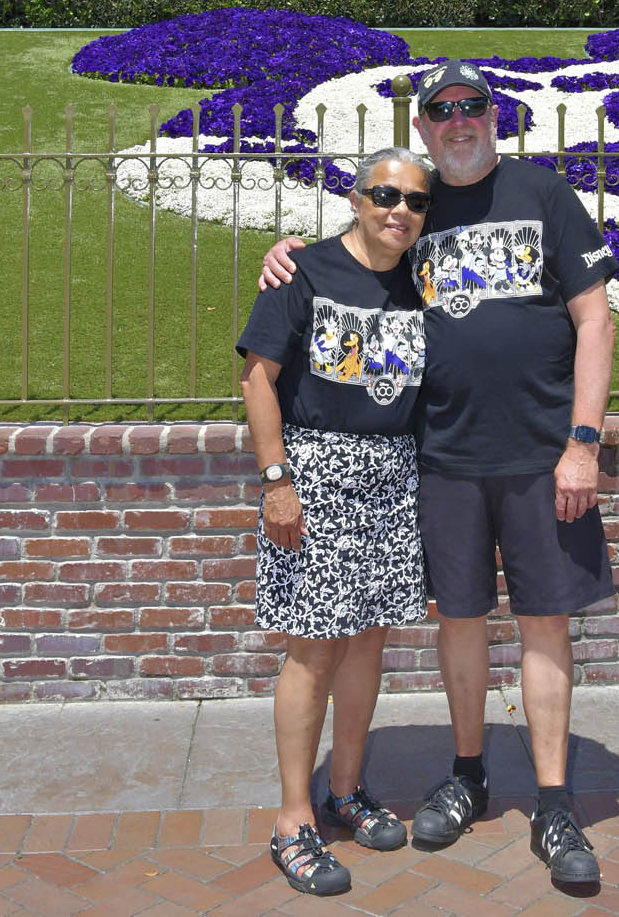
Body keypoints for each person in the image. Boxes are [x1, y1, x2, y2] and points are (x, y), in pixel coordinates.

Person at [261, 60, 617, 887]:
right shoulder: (413, 209)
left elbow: (595, 319)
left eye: (472, 106)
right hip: (442, 455)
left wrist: (584, 441)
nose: (459, 121)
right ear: (422, 126)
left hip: (540, 452)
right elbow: (351, 258)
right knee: (459, 618)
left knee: (544, 620)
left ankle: (555, 799)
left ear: (495, 115)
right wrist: (285, 255)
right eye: (442, 110)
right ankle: (468, 773)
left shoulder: (544, 195)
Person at [239, 146, 433, 898]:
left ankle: (346, 788)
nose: (399, 210)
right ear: (355, 199)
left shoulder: (424, 281)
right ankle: (294, 819)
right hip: (316, 475)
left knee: (368, 641)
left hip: (392, 475)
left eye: (415, 200)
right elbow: (258, 378)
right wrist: (277, 480)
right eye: (385, 194)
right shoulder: (304, 271)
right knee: (314, 648)